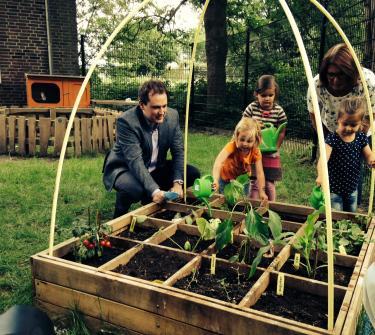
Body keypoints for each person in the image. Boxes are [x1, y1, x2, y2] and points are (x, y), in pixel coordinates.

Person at [102, 79, 200, 218]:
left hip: (155, 167)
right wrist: (154, 191)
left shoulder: (172, 116)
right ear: (142, 105)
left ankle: (159, 211)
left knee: (191, 173)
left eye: (164, 106)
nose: (162, 112)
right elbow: (135, 161)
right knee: (134, 189)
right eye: (156, 107)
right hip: (125, 168)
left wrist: (178, 183)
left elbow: (178, 151)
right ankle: (119, 214)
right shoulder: (127, 122)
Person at [307, 43, 375, 205]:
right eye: (331, 75)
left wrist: (355, 137)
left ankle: (352, 203)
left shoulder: (368, 82)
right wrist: (329, 140)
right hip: (330, 130)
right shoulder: (317, 84)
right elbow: (314, 114)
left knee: (352, 167)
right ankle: (330, 203)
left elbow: (372, 114)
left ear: (352, 73)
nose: (335, 80)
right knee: (329, 167)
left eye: (342, 75)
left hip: (360, 130)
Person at [316, 97, 375, 212]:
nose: (348, 128)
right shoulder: (333, 138)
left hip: (352, 189)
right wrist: (321, 175)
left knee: (350, 216)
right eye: (345, 123)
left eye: (353, 125)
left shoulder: (361, 138)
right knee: (336, 217)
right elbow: (323, 160)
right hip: (334, 190)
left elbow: (368, 155)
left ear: (360, 123)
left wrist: (372, 159)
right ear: (338, 119)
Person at [243, 75, 287, 201]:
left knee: (269, 183)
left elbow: (282, 131)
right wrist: (252, 123)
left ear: (275, 94)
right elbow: (242, 125)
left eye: (270, 95)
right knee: (254, 181)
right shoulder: (252, 108)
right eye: (263, 95)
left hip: (271, 154)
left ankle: (272, 206)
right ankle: (254, 205)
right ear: (256, 94)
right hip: (254, 151)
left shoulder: (278, 111)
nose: (267, 98)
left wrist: (276, 148)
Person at [212, 117, 268, 201]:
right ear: (237, 136)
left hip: (242, 182)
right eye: (242, 139)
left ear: (255, 140)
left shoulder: (256, 151)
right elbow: (218, 162)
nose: (245, 144)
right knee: (225, 201)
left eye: (249, 141)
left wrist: (262, 191)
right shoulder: (232, 146)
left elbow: (260, 173)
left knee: (241, 202)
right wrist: (215, 179)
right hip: (226, 180)